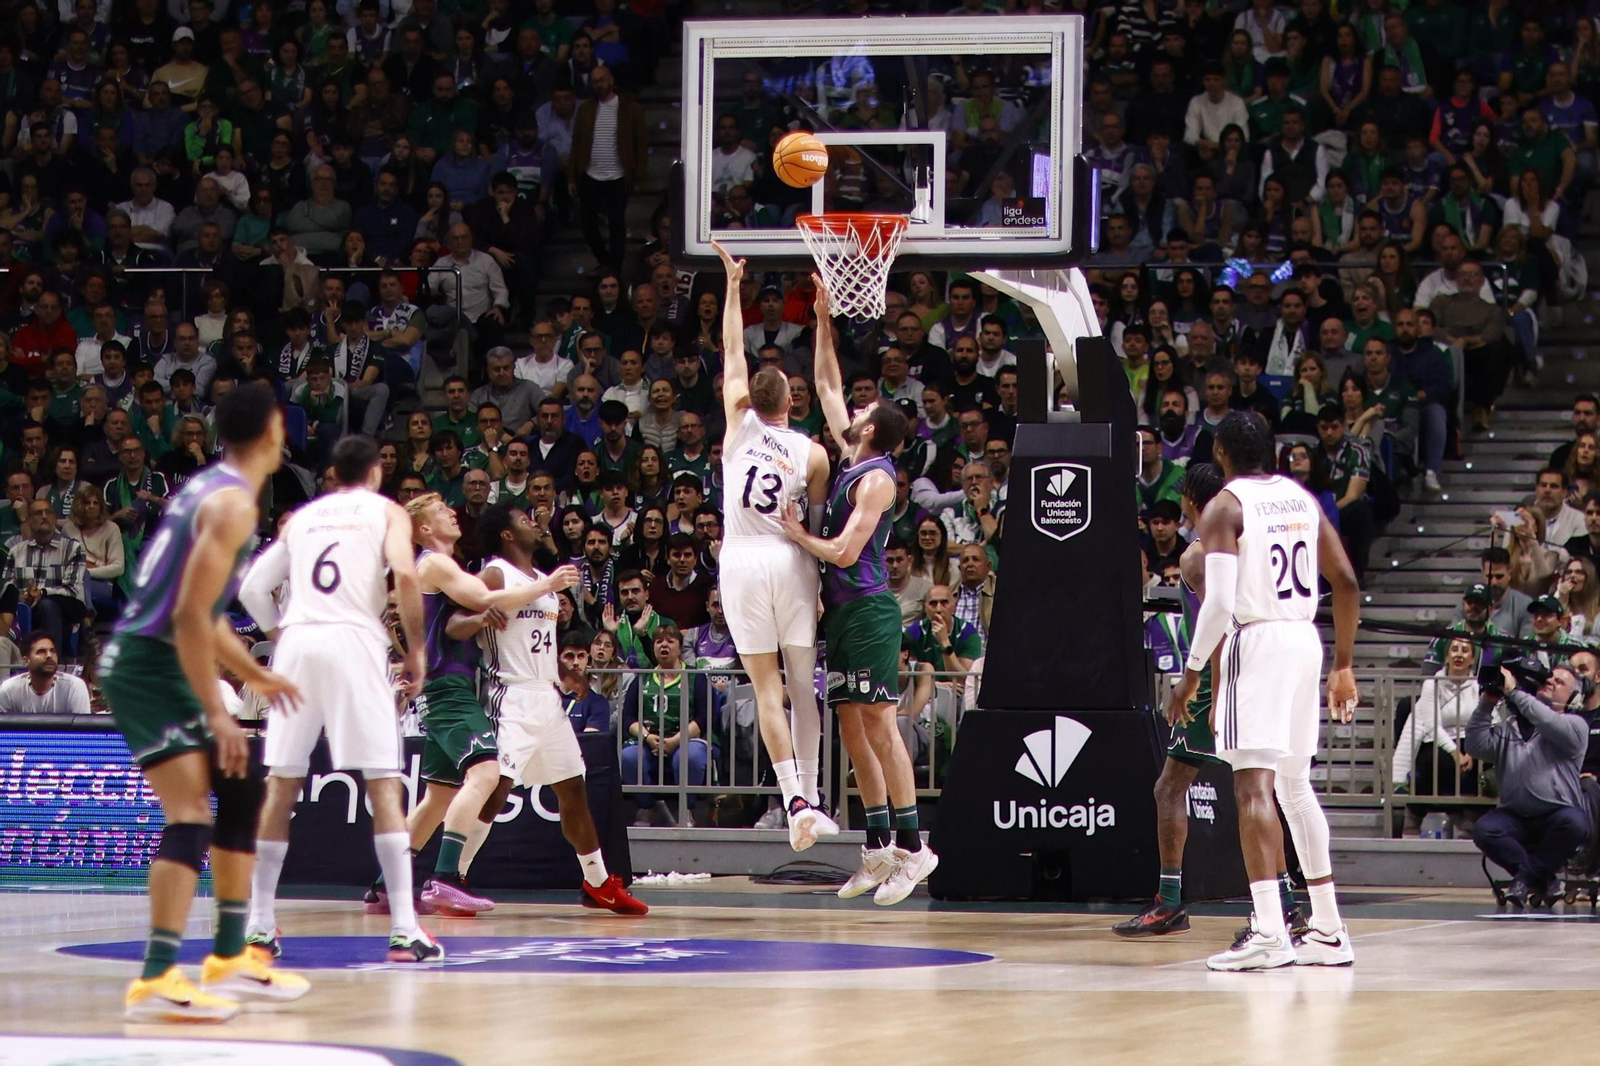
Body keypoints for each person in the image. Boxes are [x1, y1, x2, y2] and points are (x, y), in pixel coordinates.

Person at [99, 383, 309, 1021]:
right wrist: (220, 712)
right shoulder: (234, 505)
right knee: (190, 813)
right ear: (274, 431)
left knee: (240, 789)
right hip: (145, 666)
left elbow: (206, 610)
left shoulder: (210, 487)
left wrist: (256, 673)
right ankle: (157, 975)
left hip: (163, 656)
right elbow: (190, 616)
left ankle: (229, 957)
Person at [1166, 411, 1360, 970]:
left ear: (1221, 453)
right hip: (1306, 639)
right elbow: (1345, 581)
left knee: (1253, 787)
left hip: (1257, 642)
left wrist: (1194, 669)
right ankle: (1326, 927)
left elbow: (1221, 602)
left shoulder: (1225, 506)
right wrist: (1343, 666)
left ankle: (1271, 931)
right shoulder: (1301, 499)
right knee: (1296, 788)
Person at [238, 437, 442, 964]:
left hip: (300, 644)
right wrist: (416, 652)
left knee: (281, 783)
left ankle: (259, 924)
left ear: (333, 474)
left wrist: (279, 634)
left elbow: (252, 588)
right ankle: (403, 929)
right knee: (383, 786)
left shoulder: (302, 517)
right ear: (375, 472)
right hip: (354, 641)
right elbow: (405, 575)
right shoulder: (387, 512)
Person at [779, 279, 938, 908]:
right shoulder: (853, 456)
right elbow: (826, 384)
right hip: (842, 613)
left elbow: (845, 552)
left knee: (880, 722)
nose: (855, 411)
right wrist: (824, 319)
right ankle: (876, 849)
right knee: (850, 725)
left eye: (865, 412)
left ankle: (915, 845)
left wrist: (797, 534)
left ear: (874, 429)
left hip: (870, 608)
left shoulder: (877, 481)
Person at [1116, 463, 1304, 938]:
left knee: (1181, 789)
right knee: (1266, 789)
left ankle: (1174, 902)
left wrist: (1207, 692)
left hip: (1219, 680)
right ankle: (1286, 905)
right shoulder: (1239, 546)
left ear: (1189, 500)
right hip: (1262, 667)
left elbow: (1219, 628)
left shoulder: (1199, 556)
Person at [371, 493, 577, 917]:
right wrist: (545, 584)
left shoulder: (441, 567)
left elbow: (462, 617)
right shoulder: (435, 562)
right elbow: (485, 596)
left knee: (439, 796)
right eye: (441, 511)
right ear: (425, 529)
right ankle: (445, 879)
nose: (451, 512)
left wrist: (483, 619)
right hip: (448, 687)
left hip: (445, 685)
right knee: (485, 772)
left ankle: (383, 889)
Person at [445, 503, 647, 913]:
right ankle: (455, 877)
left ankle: (597, 883)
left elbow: (537, 638)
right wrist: (483, 614)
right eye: (522, 520)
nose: (534, 525)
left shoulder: (544, 581)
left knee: (573, 788)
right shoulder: (496, 573)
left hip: (547, 695)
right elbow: (453, 625)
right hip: (512, 693)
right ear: (506, 533)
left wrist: (562, 674)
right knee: (496, 790)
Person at [708, 243, 838, 849]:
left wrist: (733, 286)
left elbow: (732, 348)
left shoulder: (736, 427)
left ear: (750, 401)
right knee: (803, 682)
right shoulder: (813, 453)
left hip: (739, 558)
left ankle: (793, 803)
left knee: (766, 690)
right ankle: (812, 796)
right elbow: (811, 523)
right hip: (790, 558)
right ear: (791, 401)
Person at [1467, 662, 1593, 907]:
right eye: (1549, 679)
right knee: (1484, 829)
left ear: (1573, 697)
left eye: (1560, 683)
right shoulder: (1509, 728)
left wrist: (1515, 693)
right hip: (1514, 815)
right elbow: (1474, 745)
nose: (1550, 682)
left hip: (1557, 814)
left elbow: (1548, 722)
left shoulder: (1575, 725)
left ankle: (1525, 878)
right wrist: (1487, 702)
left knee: (1575, 823)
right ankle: (1545, 879)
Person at [0, 631, 91, 714]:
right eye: (41, 652)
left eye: (52, 651)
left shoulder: (74, 686)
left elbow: (82, 731)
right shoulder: (10, 688)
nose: (49, 656)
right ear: (26, 660)